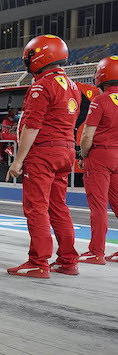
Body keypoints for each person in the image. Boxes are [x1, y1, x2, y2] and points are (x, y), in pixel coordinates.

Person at [5, 35, 82, 279]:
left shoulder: (41, 86)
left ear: (39, 57)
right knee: (58, 206)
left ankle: (38, 262)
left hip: (43, 153)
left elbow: (32, 126)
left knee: (36, 207)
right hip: (66, 150)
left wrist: (18, 161)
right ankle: (68, 260)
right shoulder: (72, 85)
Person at [78, 56, 118, 264]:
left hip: (101, 156)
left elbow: (87, 135)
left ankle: (96, 252)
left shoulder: (100, 100)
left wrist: (84, 154)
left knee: (99, 206)